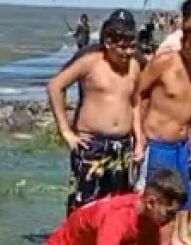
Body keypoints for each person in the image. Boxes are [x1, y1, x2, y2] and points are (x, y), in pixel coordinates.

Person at [36, 168, 185, 245]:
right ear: (151, 203)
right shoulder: (117, 216)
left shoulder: (152, 219)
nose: (172, 219)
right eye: (170, 213)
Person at [47, 12, 140, 215]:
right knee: (84, 205)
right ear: (108, 42)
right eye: (123, 47)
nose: (128, 53)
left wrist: (140, 139)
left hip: (123, 146)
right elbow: (55, 86)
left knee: (118, 206)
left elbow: (135, 103)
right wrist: (65, 130)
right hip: (91, 145)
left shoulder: (134, 67)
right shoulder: (90, 62)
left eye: (132, 46)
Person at [137, 20, 191, 245]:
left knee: (183, 192)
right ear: (183, 42)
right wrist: (138, 134)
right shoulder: (164, 63)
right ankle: (154, 244)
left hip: (182, 143)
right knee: (158, 197)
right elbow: (137, 94)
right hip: (158, 142)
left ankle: (179, 236)